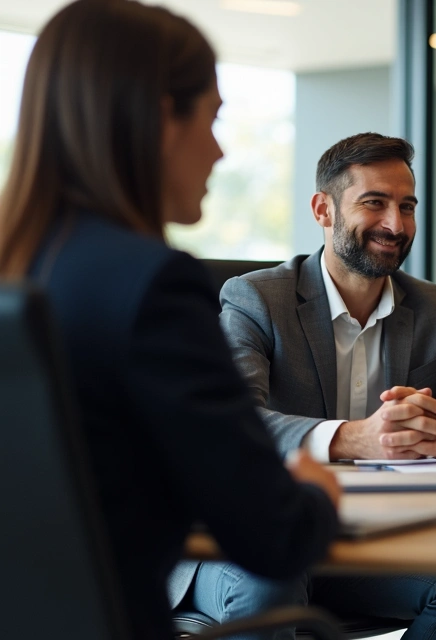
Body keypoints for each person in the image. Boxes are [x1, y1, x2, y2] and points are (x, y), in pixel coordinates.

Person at [0, 2, 341, 639]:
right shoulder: (151, 284)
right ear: (161, 118)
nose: (217, 150)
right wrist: (317, 489)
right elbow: (272, 535)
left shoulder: (21, 274)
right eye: (212, 119)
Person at [169, 132, 436, 639]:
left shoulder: (432, 308)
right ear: (323, 210)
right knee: (272, 578)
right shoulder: (256, 299)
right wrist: (357, 437)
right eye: (373, 203)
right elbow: (235, 424)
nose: (395, 224)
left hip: (361, 540)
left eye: (406, 206)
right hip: (248, 539)